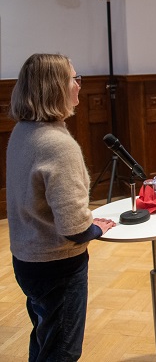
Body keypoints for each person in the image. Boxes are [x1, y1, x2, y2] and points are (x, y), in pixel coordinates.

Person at [7, 53, 117, 361]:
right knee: (62, 352)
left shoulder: (23, 131)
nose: (80, 85)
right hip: (57, 266)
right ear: (56, 86)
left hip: (27, 259)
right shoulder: (57, 143)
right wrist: (95, 226)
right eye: (75, 78)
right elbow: (74, 229)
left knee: (44, 337)